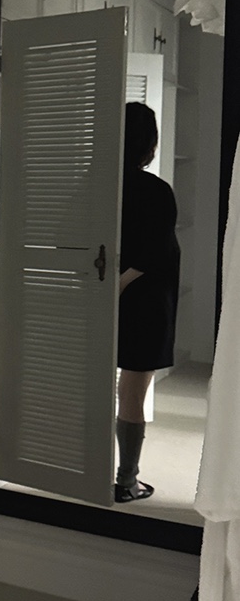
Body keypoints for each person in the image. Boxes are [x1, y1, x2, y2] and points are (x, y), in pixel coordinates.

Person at [116, 101, 181, 503]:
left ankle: (92, 475)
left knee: (104, 387)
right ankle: (126, 481)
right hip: (146, 304)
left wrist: (107, 291)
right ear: (149, 144)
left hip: (104, 301)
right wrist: (120, 285)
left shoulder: (95, 185)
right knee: (133, 392)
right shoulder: (156, 191)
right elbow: (154, 254)